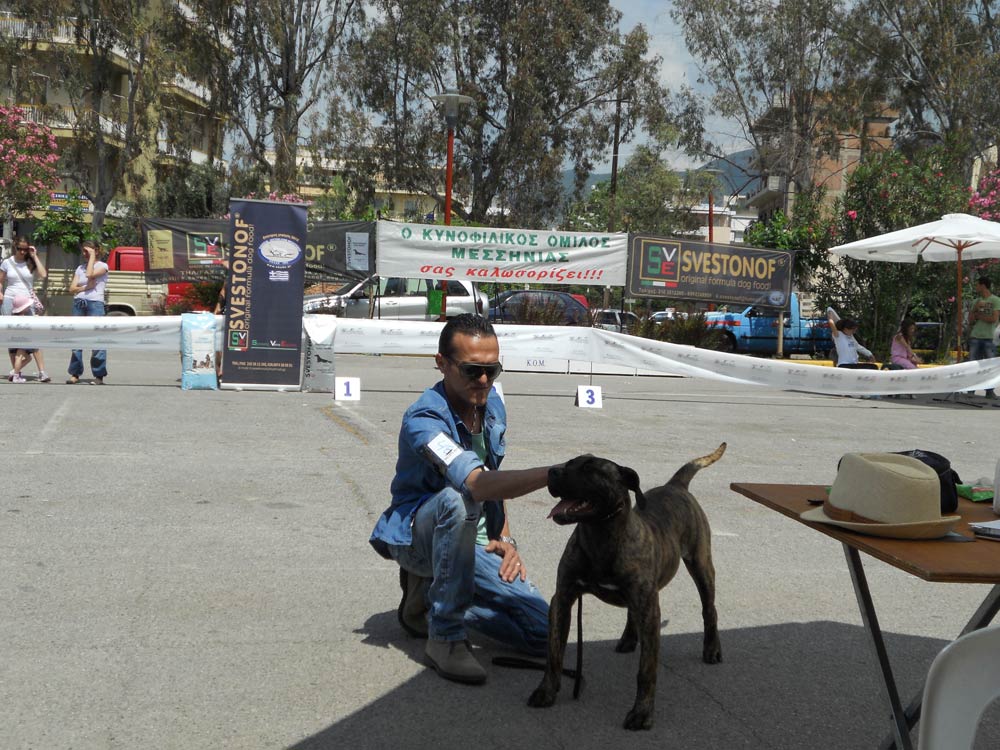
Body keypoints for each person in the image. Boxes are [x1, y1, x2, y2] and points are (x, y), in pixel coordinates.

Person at [369, 313, 557, 685]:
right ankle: (445, 638)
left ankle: (431, 597)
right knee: (454, 500)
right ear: (442, 363)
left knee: (546, 634)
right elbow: (476, 483)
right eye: (472, 370)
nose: (484, 380)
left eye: (492, 370)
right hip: (422, 536)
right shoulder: (424, 419)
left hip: (477, 541)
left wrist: (505, 539)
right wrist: (553, 476)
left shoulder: (491, 404)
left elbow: (493, 476)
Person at [0, 236, 51, 382]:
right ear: (15, 247)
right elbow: (0, 281)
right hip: (10, 300)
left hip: (27, 300)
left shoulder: (30, 262)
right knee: (12, 336)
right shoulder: (7, 262)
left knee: (33, 334)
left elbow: (43, 274)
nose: (22, 252)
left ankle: (42, 372)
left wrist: (34, 256)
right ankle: (17, 372)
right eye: (19, 249)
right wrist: (0, 293)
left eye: (25, 249)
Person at [66, 239, 109, 385]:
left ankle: (99, 375)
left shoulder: (103, 266)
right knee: (76, 338)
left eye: (87, 251)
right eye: (83, 251)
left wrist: (92, 257)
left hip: (95, 303)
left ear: (96, 250)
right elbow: (72, 288)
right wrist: (85, 288)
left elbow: (90, 274)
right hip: (79, 303)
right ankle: (75, 373)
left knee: (97, 338)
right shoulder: (80, 268)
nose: (84, 254)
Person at [967, 276, 1000, 399]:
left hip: (989, 337)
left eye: (977, 285)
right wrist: (975, 309)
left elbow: (994, 319)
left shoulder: (995, 300)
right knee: (973, 365)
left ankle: (989, 391)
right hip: (976, 336)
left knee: (989, 365)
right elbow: (970, 320)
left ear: (983, 285)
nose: (976, 287)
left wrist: (979, 316)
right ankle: (971, 390)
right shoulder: (976, 301)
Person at [8, 294, 38, 383]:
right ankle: (16, 376)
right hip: (21, 340)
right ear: (23, 308)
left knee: (28, 358)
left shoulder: (12, 317)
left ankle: (14, 371)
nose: (28, 308)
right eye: (27, 306)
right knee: (19, 357)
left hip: (12, 340)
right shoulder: (23, 318)